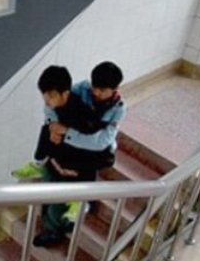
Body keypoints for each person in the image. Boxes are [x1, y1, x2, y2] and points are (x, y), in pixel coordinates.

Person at [11, 64, 126, 247]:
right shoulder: (81, 89)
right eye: (94, 87)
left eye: (102, 90)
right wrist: (52, 126)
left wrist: (66, 133)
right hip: (61, 154)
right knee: (48, 192)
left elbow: (101, 142)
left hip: (85, 158)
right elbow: (53, 102)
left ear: (114, 90)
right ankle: (45, 174)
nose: (95, 92)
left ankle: (58, 229)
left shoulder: (118, 109)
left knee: (60, 203)